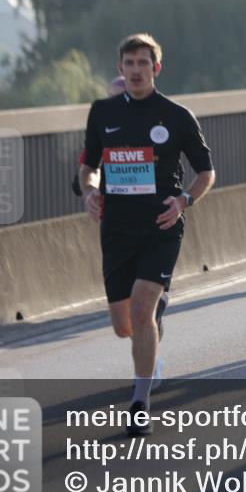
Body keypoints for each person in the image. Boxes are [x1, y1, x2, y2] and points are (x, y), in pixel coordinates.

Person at [79, 33, 215, 436]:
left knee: (141, 309)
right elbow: (89, 165)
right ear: (120, 69)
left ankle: (140, 403)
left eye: (144, 63)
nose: (136, 70)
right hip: (117, 229)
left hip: (161, 225)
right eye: (129, 64)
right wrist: (89, 190)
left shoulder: (176, 115)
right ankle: (152, 319)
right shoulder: (101, 113)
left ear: (156, 68)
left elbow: (206, 172)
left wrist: (184, 201)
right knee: (125, 325)